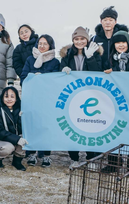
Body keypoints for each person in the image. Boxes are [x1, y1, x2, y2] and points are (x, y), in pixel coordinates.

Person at [59, 26, 103, 162]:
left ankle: (91, 158)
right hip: (73, 96)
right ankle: (74, 158)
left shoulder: (95, 53)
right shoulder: (67, 54)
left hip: (90, 95)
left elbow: (97, 72)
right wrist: (63, 69)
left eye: (82, 39)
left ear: (87, 40)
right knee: (73, 126)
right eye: (76, 39)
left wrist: (90, 57)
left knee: (90, 126)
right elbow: (61, 71)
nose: (79, 41)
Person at [20, 34, 59, 167]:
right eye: (40, 43)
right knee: (32, 124)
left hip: (47, 100)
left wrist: (43, 79)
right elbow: (23, 77)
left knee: (46, 126)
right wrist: (32, 78)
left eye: (45, 44)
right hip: (32, 98)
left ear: (50, 46)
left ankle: (47, 156)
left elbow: (56, 81)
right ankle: (31, 154)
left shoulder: (55, 62)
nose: (42, 46)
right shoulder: (30, 59)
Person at [0, 86, 27, 171]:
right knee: (9, 147)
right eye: (6, 96)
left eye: (12, 97)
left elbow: (22, 129)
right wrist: (17, 139)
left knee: (25, 139)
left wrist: (21, 118)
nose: (9, 99)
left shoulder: (20, 110)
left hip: (11, 138)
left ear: (16, 99)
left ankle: (17, 161)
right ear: (2, 98)